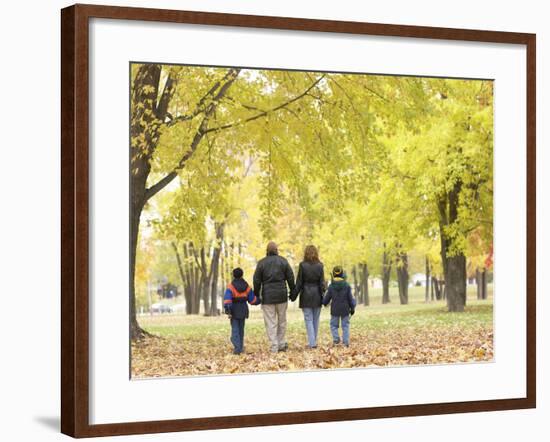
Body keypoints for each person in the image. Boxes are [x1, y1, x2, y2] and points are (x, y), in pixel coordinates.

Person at [253, 241, 296, 353]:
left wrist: (256, 294)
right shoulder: (283, 261)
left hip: (268, 297)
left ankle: (274, 345)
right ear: (277, 250)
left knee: (270, 322)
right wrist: (293, 292)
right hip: (282, 296)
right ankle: (281, 343)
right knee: (282, 321)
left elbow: (256, 280)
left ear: (267, 251)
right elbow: (290, 278)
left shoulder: (261, 263)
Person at [290, 245, 325, 349]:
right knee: (315, 319)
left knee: (308, 319)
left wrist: (293, 296)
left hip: (305, 294)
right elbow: (322, 283)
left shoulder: (302, 265)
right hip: (317, 295)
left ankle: (312, 343)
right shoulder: (320, 265)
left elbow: (299, 283)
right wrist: (324, 295)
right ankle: (313, 341)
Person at [223, 267, 260, 355]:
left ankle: (237, 348)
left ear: (233, 275)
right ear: (242, 275)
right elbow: (252, 300)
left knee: (235, 329)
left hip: (234, 310)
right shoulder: (247, 286)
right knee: (241, 329)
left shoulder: (231, 287)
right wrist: (260, 300)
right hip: (243, 309)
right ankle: (240, 346)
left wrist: (228, 309)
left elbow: (227, 300)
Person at [323, 266, 356, 347]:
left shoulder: (331, 286)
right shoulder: (347, 285)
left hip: (335, 310)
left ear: (333, 274)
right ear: (342, 274)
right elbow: (350, 298)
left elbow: (326, 300)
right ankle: (346, 342)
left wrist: (324, 302)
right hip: (345, 309)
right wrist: (352, 308)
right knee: (345, 326)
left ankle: (336, 339)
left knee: (333, 325)